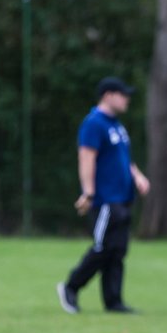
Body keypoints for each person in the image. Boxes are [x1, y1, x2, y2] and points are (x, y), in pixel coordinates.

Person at [57, 77, 151, 314]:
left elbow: (124, 159)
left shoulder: (117, 125)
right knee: (103, 247)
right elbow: (86, 157)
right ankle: (71, 286)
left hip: (123, 196)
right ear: (108, 95)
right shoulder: (94, 124)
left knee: (118, 250)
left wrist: (137, 176)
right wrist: (88, 192)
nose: (127, 99)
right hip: (105, 198)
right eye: (123, 94)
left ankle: (114, 301)